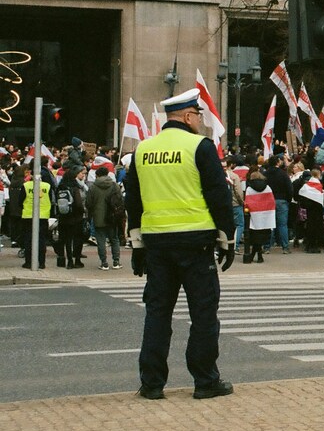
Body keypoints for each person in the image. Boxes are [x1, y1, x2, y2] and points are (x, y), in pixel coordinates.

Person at [123, 88, 236, 401]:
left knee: (157, 314)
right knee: (203, 314)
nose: (200, 120)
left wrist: (137, 245)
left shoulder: (143, 150)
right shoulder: (200, 145)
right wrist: (228, 238)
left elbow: (133, 200)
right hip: (195, 243)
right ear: (188, 116)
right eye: (198, 115)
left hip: (157, 244)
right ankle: (205, 380)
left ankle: (151, 384)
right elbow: (218, 195)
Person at [85, 165, 123, 270]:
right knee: (114, 239)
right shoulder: (114, 185)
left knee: (101, 240)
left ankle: (104, 262)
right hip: (112, 217)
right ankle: (116, 261)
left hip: (98, 217)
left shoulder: (93, 187)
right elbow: (120, 200)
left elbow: (88, 203)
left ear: (97, 175)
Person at [56, 165, 87, 269]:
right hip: (76, 217)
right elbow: (78, 203)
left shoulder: (61, 187)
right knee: (78, 239)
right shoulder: (75, 188)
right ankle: (77, 260)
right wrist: (83, 212)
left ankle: (69, 261)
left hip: (64, 217)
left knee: (67, 240)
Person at [243, 171, 274, 264]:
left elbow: (247, 202)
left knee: (254, 236)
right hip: (266, 215)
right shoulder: (268, 188)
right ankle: (259, 255)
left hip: (254, 215)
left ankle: (254, 255)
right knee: (261, 236)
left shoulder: (249, 188)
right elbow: (271, 201)